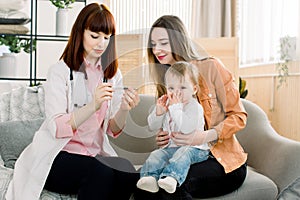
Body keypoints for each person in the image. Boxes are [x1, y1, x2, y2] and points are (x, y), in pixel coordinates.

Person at [6, 3, 140, 200]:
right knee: (100, 171)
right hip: (57, 155)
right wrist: (93, 105)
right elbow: (57, 127)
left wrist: (125, 109)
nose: (101, 43)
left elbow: (113, 128)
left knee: (127, 171)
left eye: (106, 37)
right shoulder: (60, 71)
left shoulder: (112, 75)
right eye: (95, 36)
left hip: (93, 156)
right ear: (81, 33)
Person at [134, 15, 248, 200]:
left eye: (163, 42)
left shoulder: (211, 66)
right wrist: (164, 136)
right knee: (145, 187)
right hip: (181, 153)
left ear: (178, 41)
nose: (157, 50)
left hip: (221, 160)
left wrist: (204, 136)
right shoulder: (167, 81)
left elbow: (239, 116)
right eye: (153, 44)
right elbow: (170, 123)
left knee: (173, 185)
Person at [137, 61, 210, 194]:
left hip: (195, 149)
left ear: (194, 89)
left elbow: (187, 128)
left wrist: (175, 108)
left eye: (182, 88)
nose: (176, 93)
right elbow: (152, 126)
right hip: (171, 148)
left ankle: (172, 178)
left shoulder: (194, 107)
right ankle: (150, 178)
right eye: (171, 88)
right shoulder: (168, 104)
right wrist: (159, 112)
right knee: (156, 155)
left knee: (183, 154)